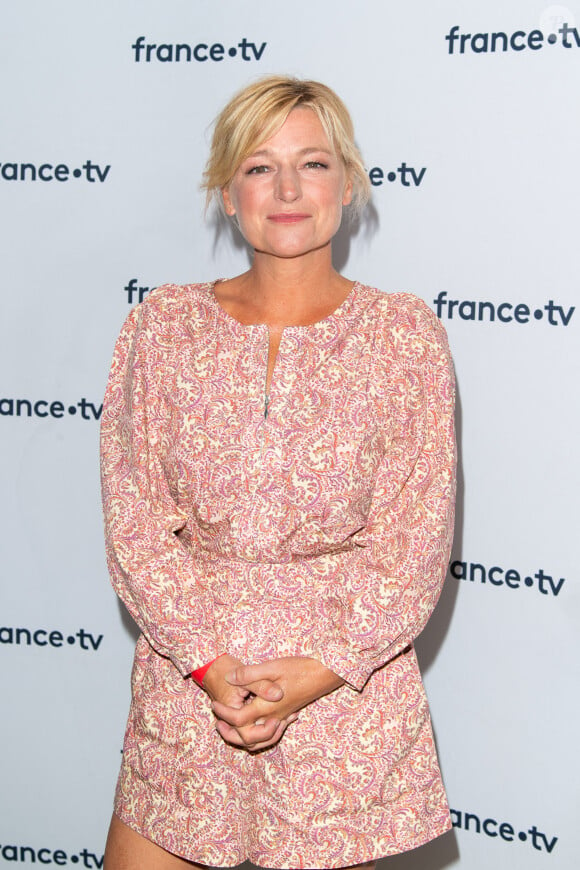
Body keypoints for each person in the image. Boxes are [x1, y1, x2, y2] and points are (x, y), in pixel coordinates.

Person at [100, 75, 456, 870]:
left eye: (314, 164)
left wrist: (313, 674)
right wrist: (207, 664)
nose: (288, 189)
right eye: (260, 167)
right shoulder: (163, 325)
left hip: (343, 701)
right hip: (191, 692)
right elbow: (134, 519)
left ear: (348, 185)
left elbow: (413, 542)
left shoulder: (403, 338)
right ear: (229, 194)